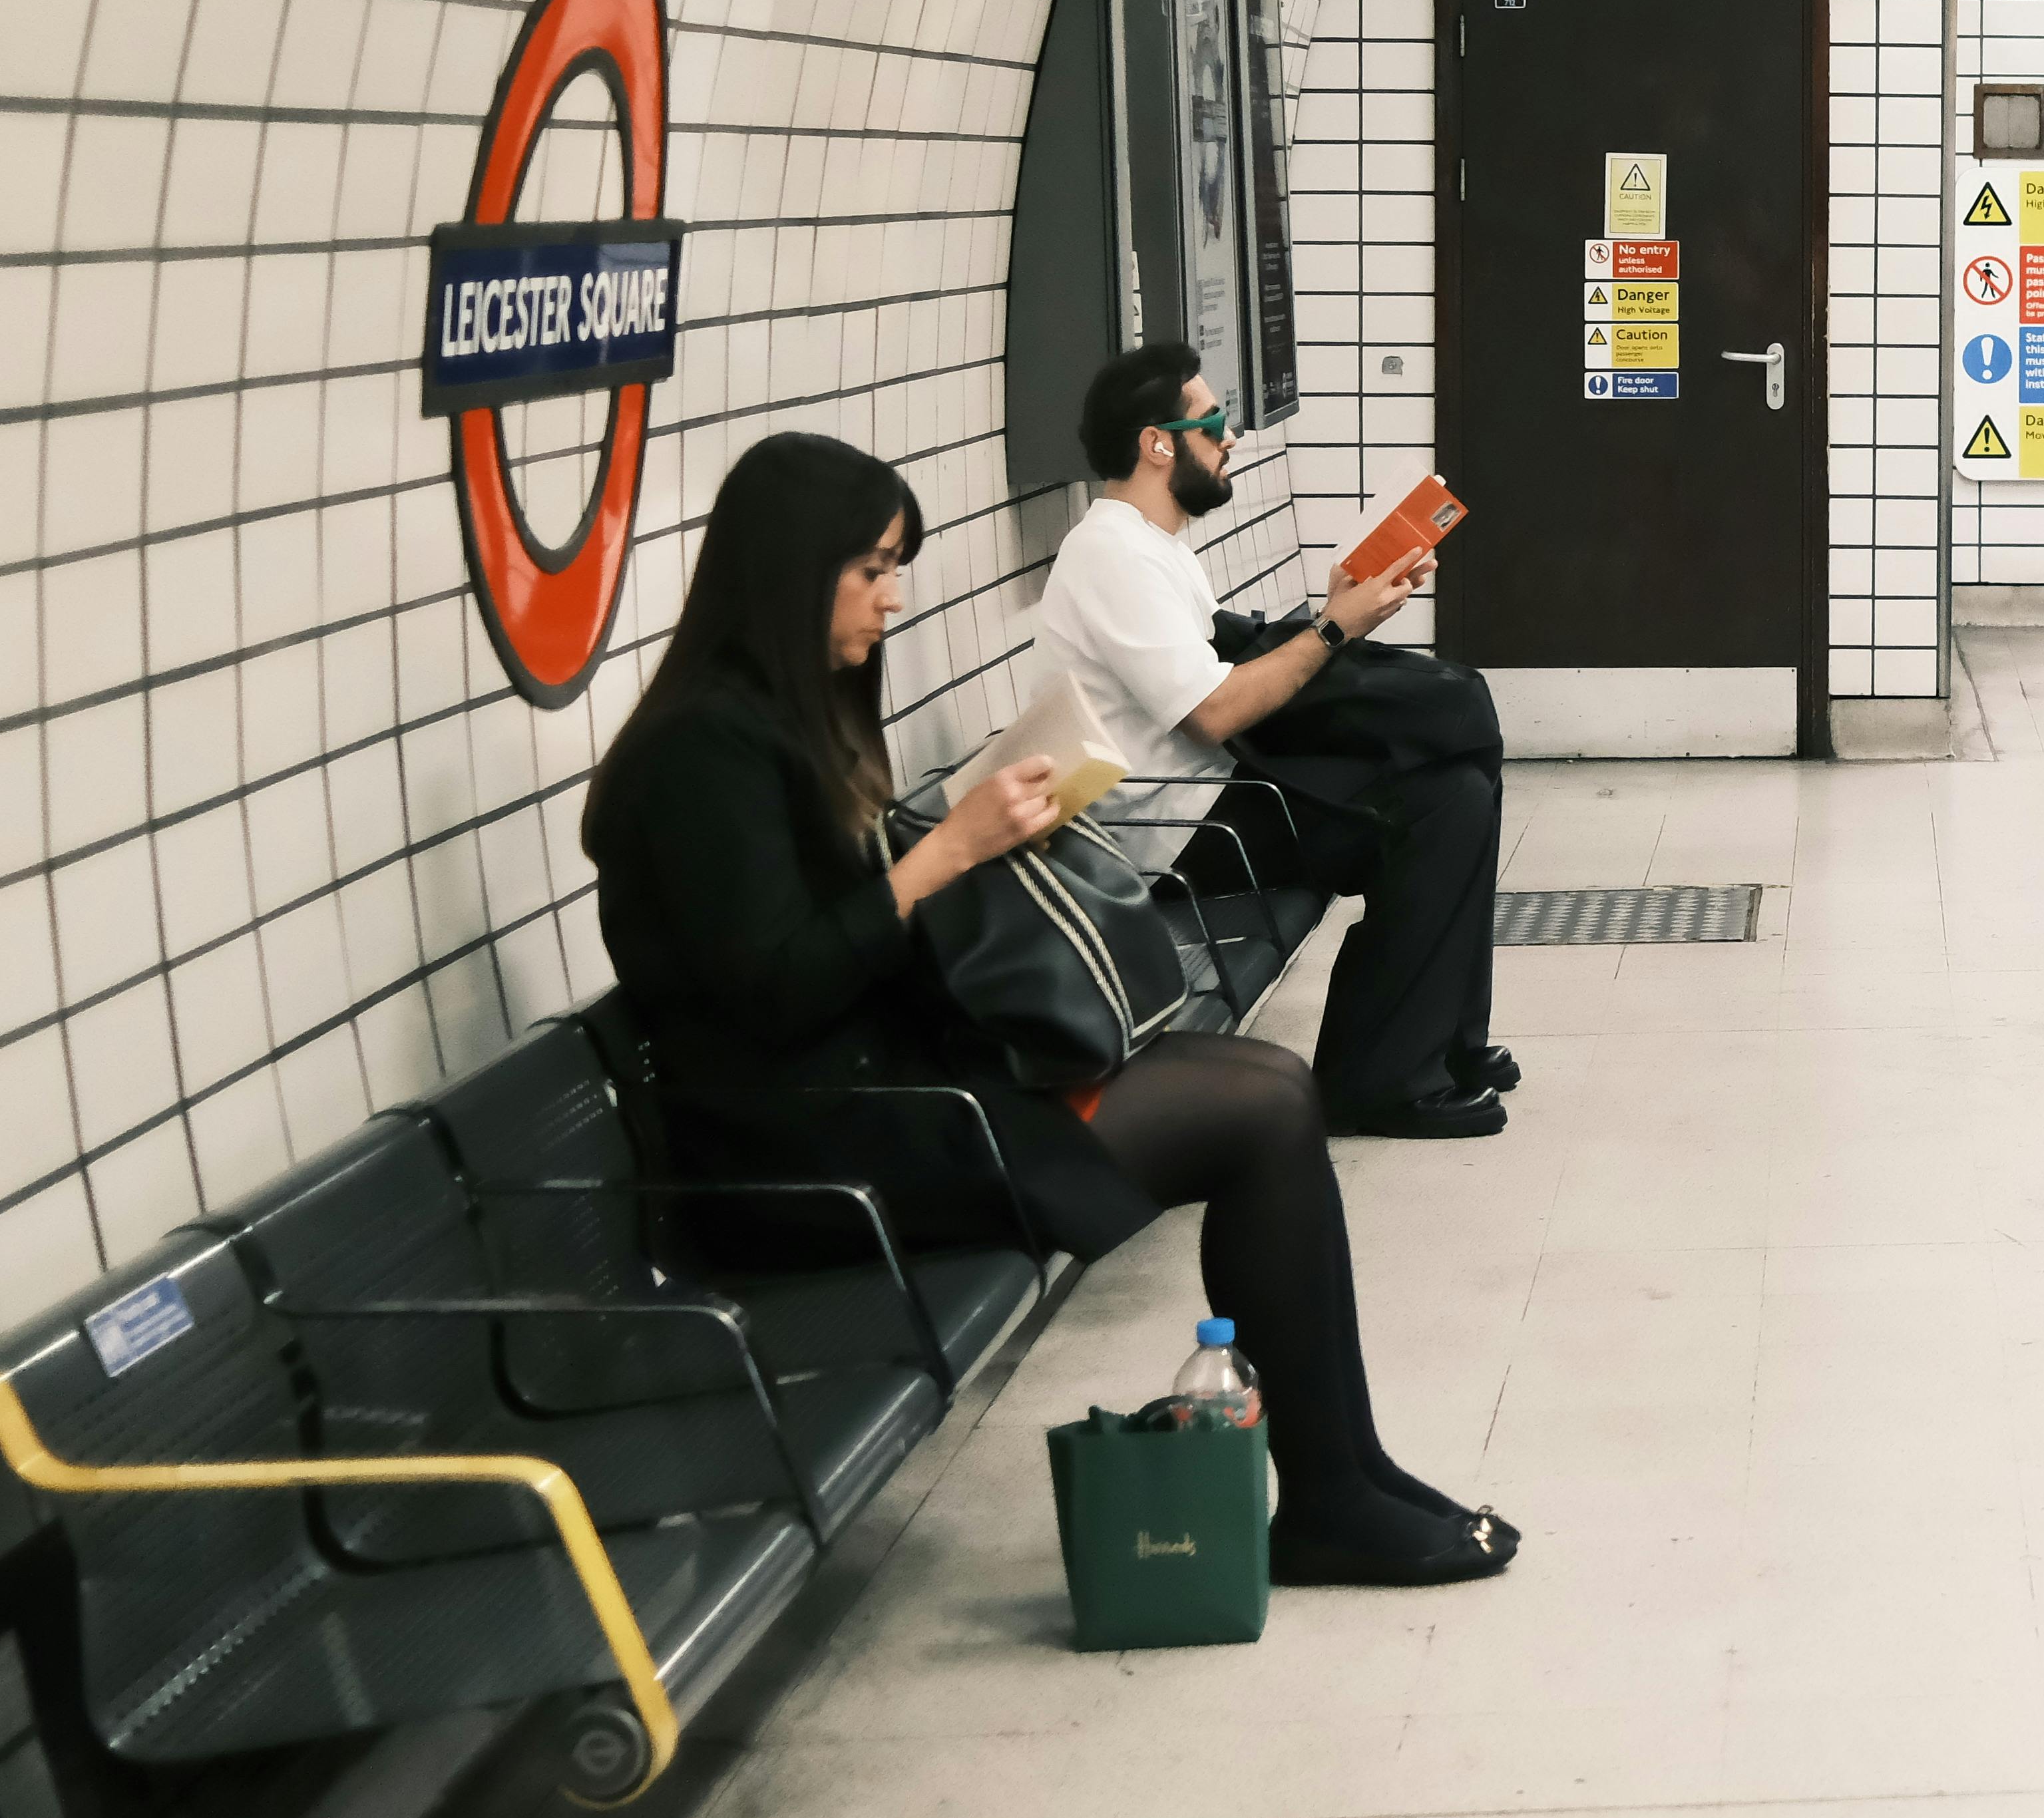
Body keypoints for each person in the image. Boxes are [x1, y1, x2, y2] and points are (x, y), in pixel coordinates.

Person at [581, 432, 1514, 1586]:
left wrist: (976, 838)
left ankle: (1350, 1474)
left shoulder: (775, 717)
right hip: (806, 1148)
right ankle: (1331, 1490)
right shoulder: (698, 756)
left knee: (1265, 1092)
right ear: (785, 571)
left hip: (878, 1091)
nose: (893, 594)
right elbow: (774, 990)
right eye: (869, 568)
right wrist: (941, 858)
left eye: (894, 565)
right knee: (1259, 1110)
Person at [1030, 346, 1505, 1139]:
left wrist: (1343, 612)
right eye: (1213, 424)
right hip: (1172, 835)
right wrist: (1335, 627)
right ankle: (1376, 1079)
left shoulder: (1154, 546)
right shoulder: (1111, 557)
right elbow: (1214, 712)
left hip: (1214, 793)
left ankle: (1444, 1045)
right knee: (1441, 807)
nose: (1232, 438)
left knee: (1454, 777)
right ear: (1158, 443)